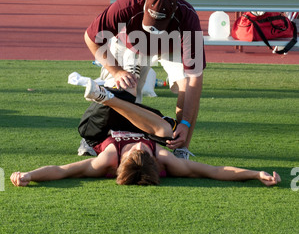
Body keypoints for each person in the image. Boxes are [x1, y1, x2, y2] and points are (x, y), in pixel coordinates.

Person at [10, 79, 281, 188]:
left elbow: (62, 170)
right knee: (165, 131)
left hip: (99, 128)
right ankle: (112, 96)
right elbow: (213, 171)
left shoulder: (106, 161)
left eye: (134, 153)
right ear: (153, 160)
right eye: (143, 151)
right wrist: (255, 173)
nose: (138, 147)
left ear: (121, 164)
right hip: (144, 121)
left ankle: (107, 97)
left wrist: (29, 175)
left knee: (123, 92)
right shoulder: (163, 157)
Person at [84, 0, 205, 159]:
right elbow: (91, 38)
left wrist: (185, 122)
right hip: (131, 44)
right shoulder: (127, 4)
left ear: (173, 13)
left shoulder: (188, 17)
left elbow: (195, 77)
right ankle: (93, 138)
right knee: (120, 91)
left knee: (186, 86)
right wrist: (116, 71)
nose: (154, 28)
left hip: (170, 46)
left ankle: (181, 149)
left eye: (160, 23)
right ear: (144, 5)